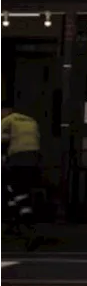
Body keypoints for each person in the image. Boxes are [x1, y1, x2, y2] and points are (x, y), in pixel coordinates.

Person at [1, 101, 43, 238]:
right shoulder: (31, 120)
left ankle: (25, 218)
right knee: (18, 188)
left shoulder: (7, 120)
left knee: (11, 187)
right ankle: (15, 221)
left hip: (18, 157)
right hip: (34, 158)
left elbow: (3, 141)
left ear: (5, 111)